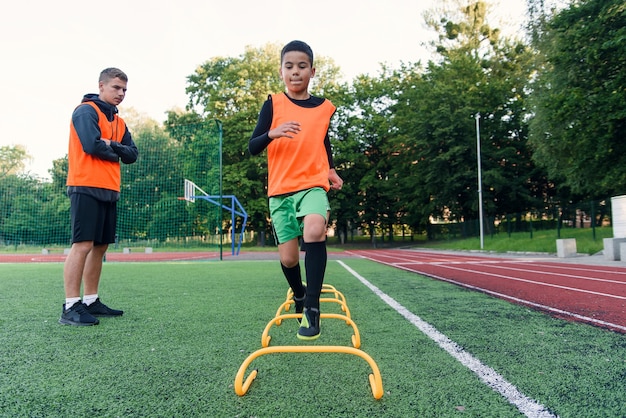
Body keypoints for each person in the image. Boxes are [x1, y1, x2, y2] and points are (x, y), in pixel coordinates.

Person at [249, 40, 343, 340]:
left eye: (302, 66)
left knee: (315, 230)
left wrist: (329, 169)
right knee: (289, 259)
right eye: (289, 66)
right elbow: (253, 146)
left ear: (312, 71)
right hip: (280, 190)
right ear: (281, 71)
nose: (295, 72)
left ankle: (312, 310)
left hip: (312, 183)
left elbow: (322, 141)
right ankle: (299, 294)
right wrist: (271, 132)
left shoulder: (324, 108)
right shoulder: (273, 104)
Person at [59, 67, 138, 326]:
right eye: (116, 88)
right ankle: (71, 306)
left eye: (124, 89)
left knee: (101, 246)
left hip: (109, 188)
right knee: (82, 245)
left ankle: (91, 300)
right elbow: (91, 144)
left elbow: (132, 154)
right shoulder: (85, 111)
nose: (121, 93)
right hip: (85, 186)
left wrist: (111, 145)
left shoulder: (120, 122)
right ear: (101, 86)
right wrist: (116, 148)